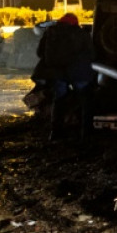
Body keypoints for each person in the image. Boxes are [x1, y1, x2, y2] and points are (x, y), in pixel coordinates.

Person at [32, 13, 95, 141]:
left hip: (57, 72)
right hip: (78, 72)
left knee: (59, 100)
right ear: (75, 22)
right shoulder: (81, 33)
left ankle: (55, 133)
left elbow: (39, 53)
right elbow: (92, 54)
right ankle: (86, 133)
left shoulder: (51, 33)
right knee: (85, 100)